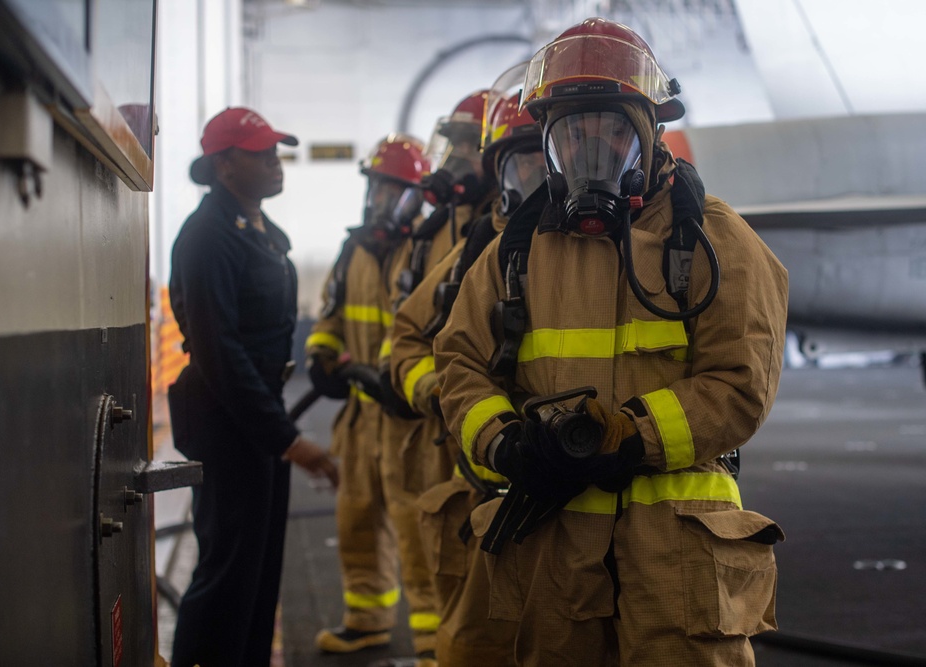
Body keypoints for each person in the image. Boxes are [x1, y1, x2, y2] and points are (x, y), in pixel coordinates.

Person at [434, 18, 788, 666]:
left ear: (649, 135)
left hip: (677, 566)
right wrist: (505, 443)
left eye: (613, 130)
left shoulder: (713, 240)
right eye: (573, 132)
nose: (591, 149)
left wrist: (631, 435)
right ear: (547, 139)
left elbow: (743, 383)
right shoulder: (515, 252)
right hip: (554, 555)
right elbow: (458, 363)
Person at [167, 106, 338, 667]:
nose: (273, 160)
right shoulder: (207, 236)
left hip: (256, 411)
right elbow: (220, 351)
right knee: (228, 572)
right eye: (259, 152)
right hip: (227, 417)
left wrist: (278, 431)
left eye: (275, 150)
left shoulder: (259, 231)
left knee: (260, 566)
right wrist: (287, 438)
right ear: (223, 166)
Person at [388, 65, 544, 667]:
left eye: (545, 157)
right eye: (521, 161)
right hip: (488, 485)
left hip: (604, 507)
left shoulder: (644, 248)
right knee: (473, 645)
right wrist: (437, 393)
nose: (540, 176)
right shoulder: (481, 245)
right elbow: (408, 335)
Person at [307, 134, 439, 663]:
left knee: (418, 529)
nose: (380, 199)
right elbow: (331, 315)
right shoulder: (352, 249)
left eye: (392, 190)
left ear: (414, 196)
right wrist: (322, 355)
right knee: (357, 518)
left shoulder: (428, 249)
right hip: (363, 416)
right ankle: (367, 621)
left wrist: (382, 373)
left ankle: (434, 642)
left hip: (408, 420)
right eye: (376, 188)